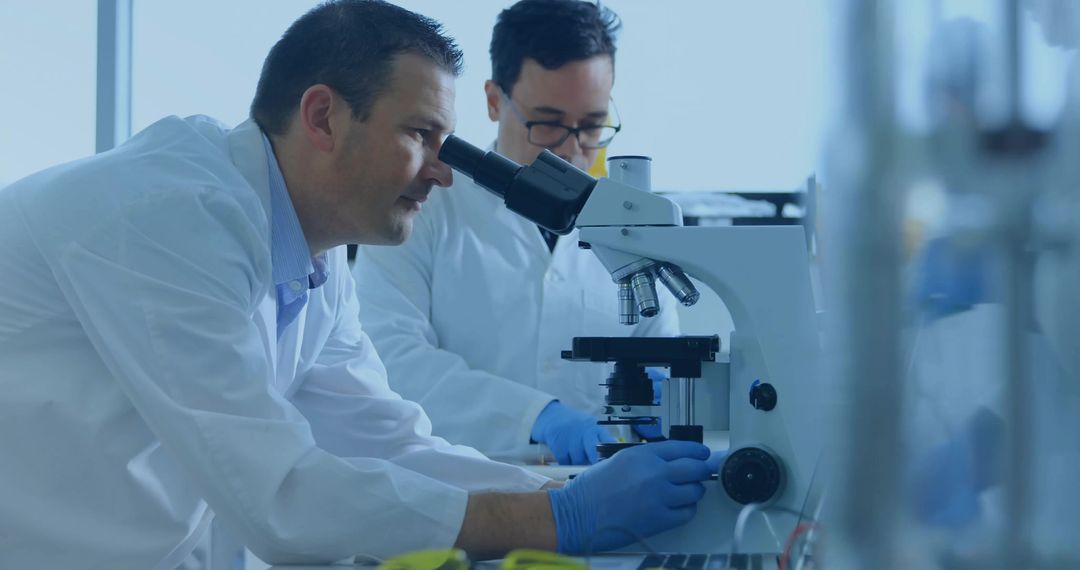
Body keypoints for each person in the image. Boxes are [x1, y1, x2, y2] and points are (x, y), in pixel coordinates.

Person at [0, 2, 717, 567]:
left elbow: (385, 442)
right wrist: (561, 520)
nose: (442, 171)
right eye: (421, 136)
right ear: (323, 117)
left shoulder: (313, 260)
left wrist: (562, 489)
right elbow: (279, 493)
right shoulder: (165, 215)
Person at [353, 0, 679, 466]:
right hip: (454, 495)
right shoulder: (418, 208)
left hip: (604, 496)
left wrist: (670, 394)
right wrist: (538, 417)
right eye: (547, 123)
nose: (570, 150)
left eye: (591, 126)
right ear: (493, 100)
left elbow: (663, 357)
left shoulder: (634, 229)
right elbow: (391, 359)